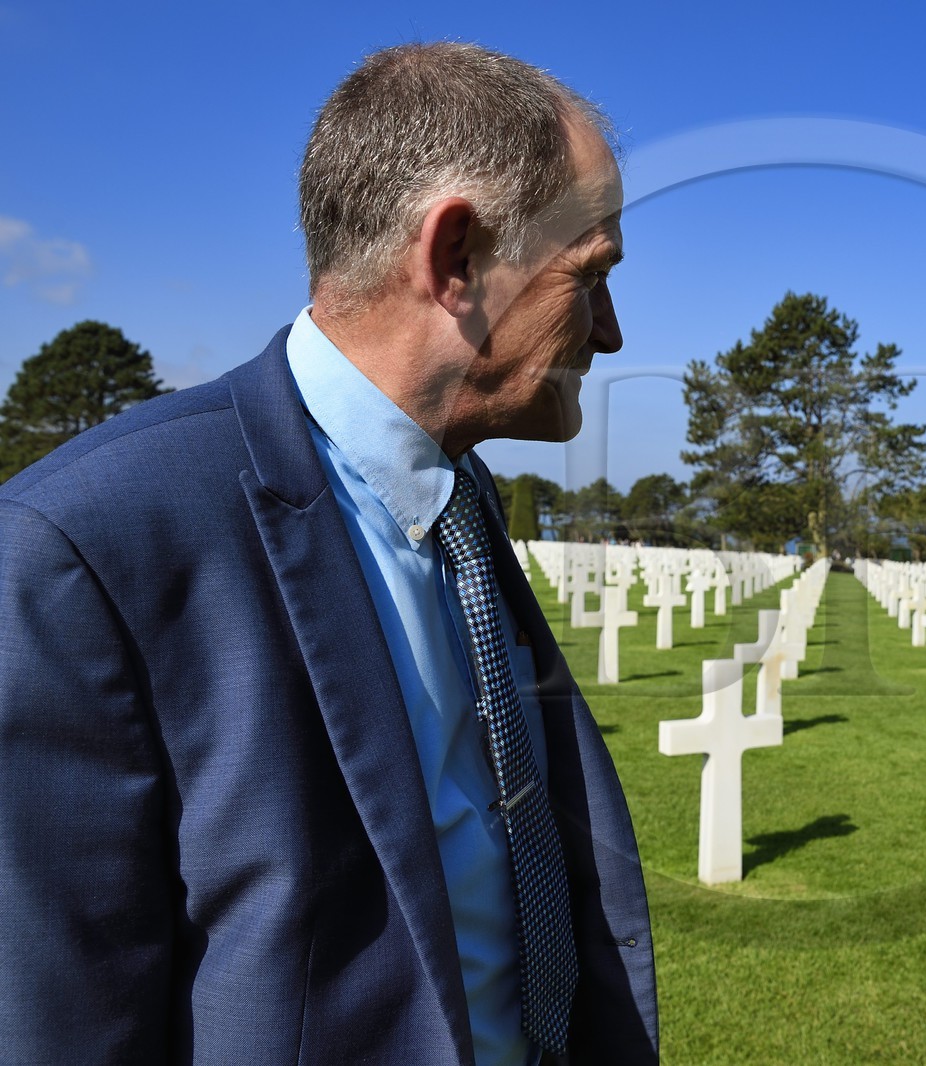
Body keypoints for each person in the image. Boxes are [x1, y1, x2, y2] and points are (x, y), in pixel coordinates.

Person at [0, 42, 656, 1064]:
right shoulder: (84, 547)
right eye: (591, 274)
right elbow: (60, 1017)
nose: (608, 332)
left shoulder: (460, 490)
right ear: (456, 260)